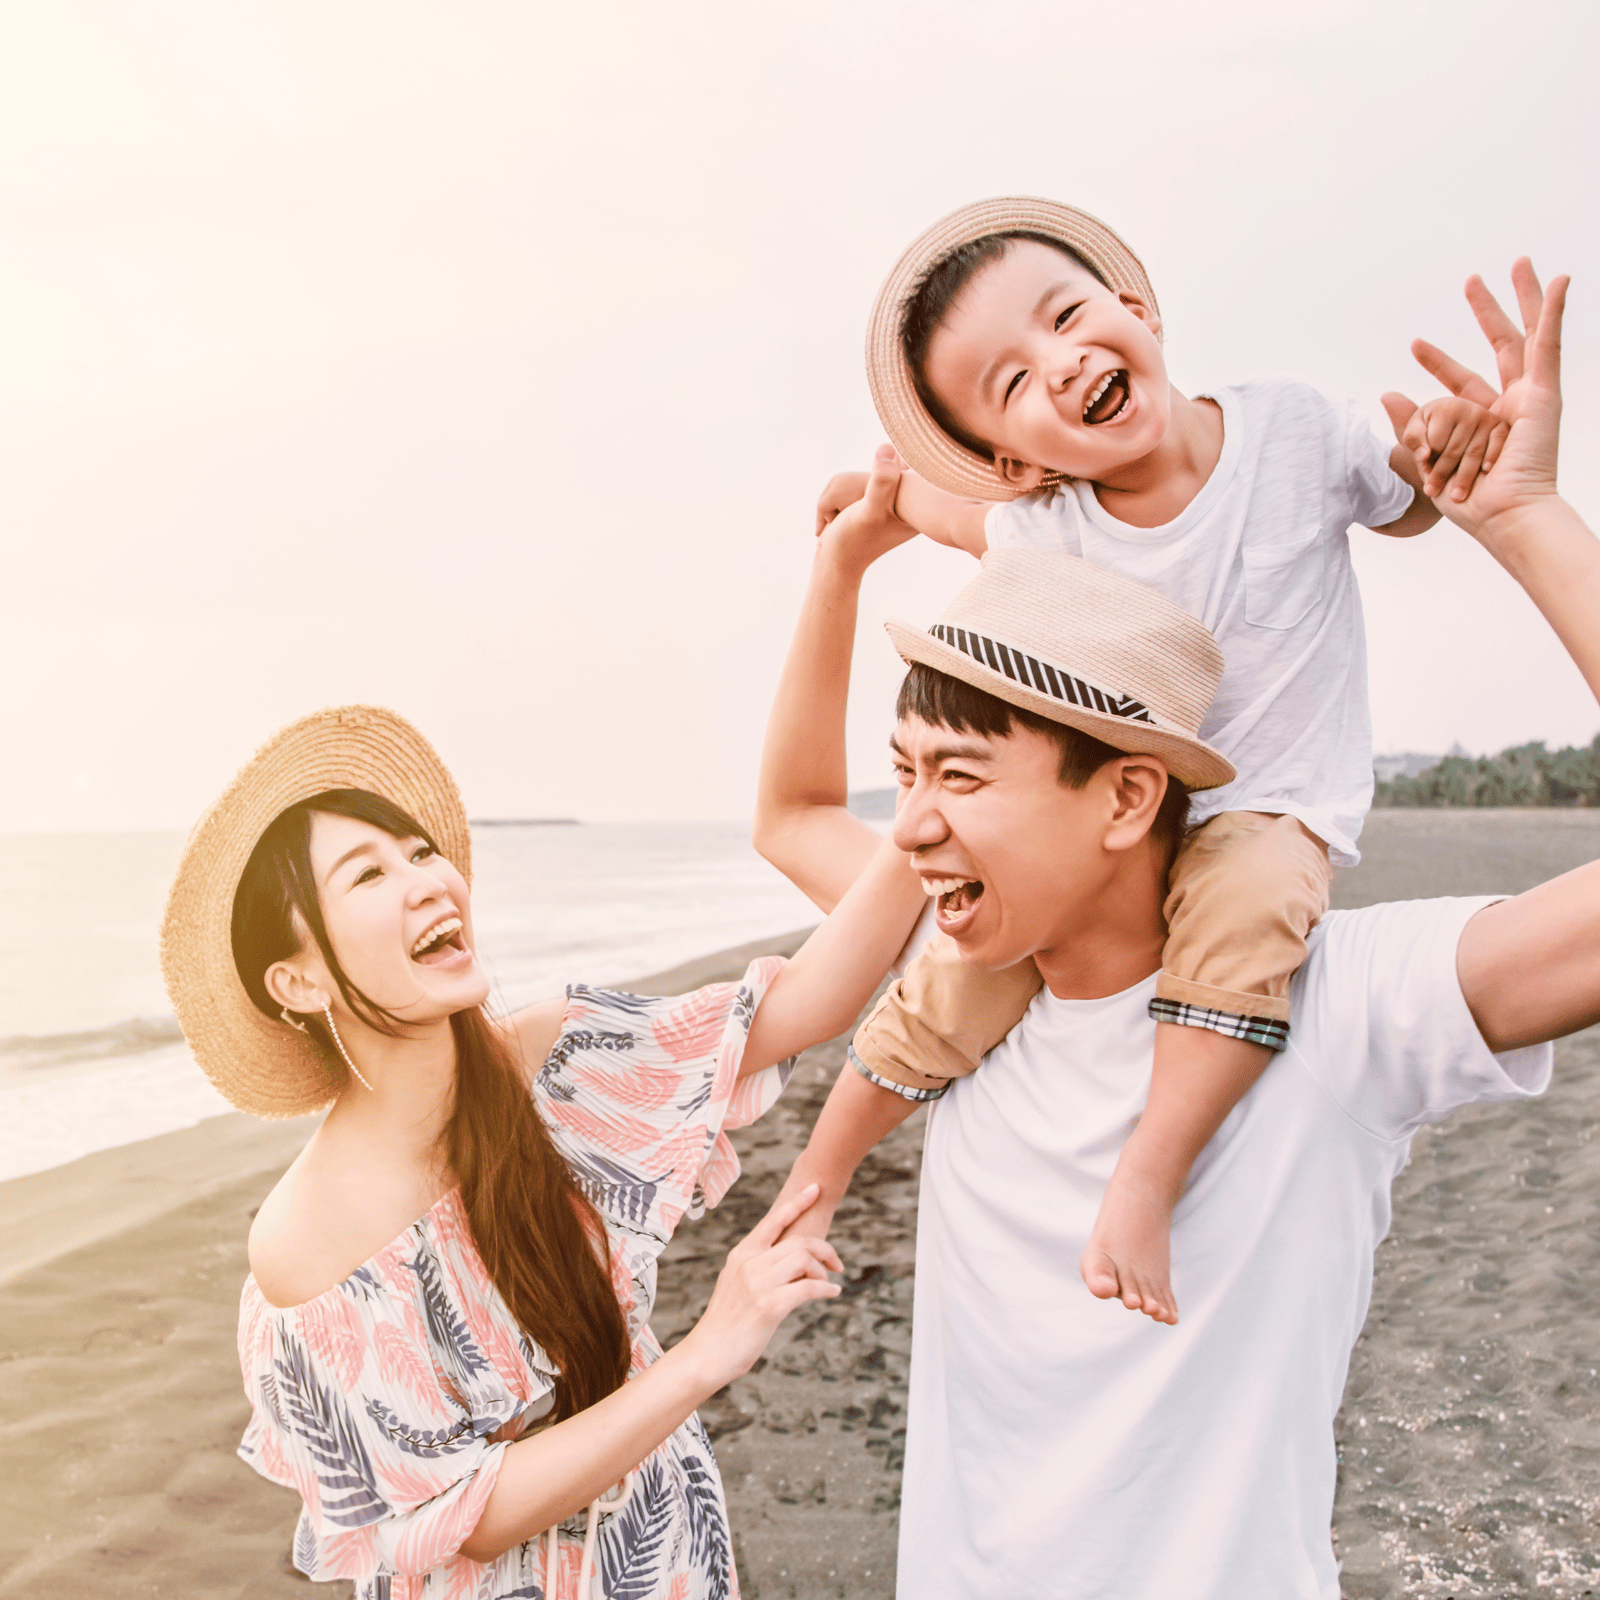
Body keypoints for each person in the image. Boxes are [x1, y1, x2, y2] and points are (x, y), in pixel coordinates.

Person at [757, 260, 1592, 1596]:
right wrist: (845, 562)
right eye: (903, 774)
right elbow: (795, 812)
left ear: (1127, 793)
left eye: (960, 778)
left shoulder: (1333, 1014)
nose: (910, 831)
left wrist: (1527, 516)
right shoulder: (972, 965)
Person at [809, 197, 1506, 1323]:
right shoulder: (1046, 524)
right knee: (959, 968)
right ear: (1012, 457)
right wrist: (877, 493)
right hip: (1108, 830)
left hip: (1268, 811)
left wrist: (1442, 450)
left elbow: (1409, 491)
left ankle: (1149, 1173)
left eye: (1068, 316)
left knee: (1245, 909)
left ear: (1135, 310)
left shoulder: (1291, 432)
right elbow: (953, 517)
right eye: (1012, 383)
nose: (1061, 362)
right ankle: (821, 1168)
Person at [158, 706, 923, 1600]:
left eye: (419, 852)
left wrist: (928, 804)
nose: (426, 881)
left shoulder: (555, 1060)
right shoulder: (306, 1243)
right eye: (367, 874)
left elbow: (810, 1002)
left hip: (664, 1547)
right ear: (298, 980)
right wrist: (709, 1350)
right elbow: (469, 1517)